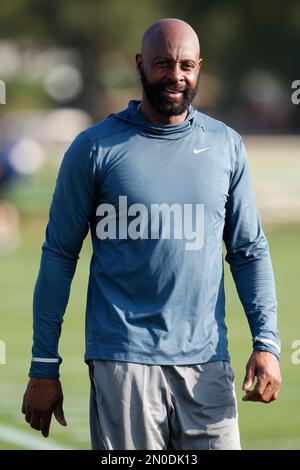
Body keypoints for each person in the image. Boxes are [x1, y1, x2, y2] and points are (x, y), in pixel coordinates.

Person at [22, 18, 282, 450]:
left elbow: (249, 251)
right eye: (163, 64)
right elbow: (58, 256)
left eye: (185, 65)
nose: (175, 76)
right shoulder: (94, 148)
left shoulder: (226, 146)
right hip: (124, 362)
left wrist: (267, 343)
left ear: (199, 67)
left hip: (208, 363)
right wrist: (43, 364)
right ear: (140, 64)